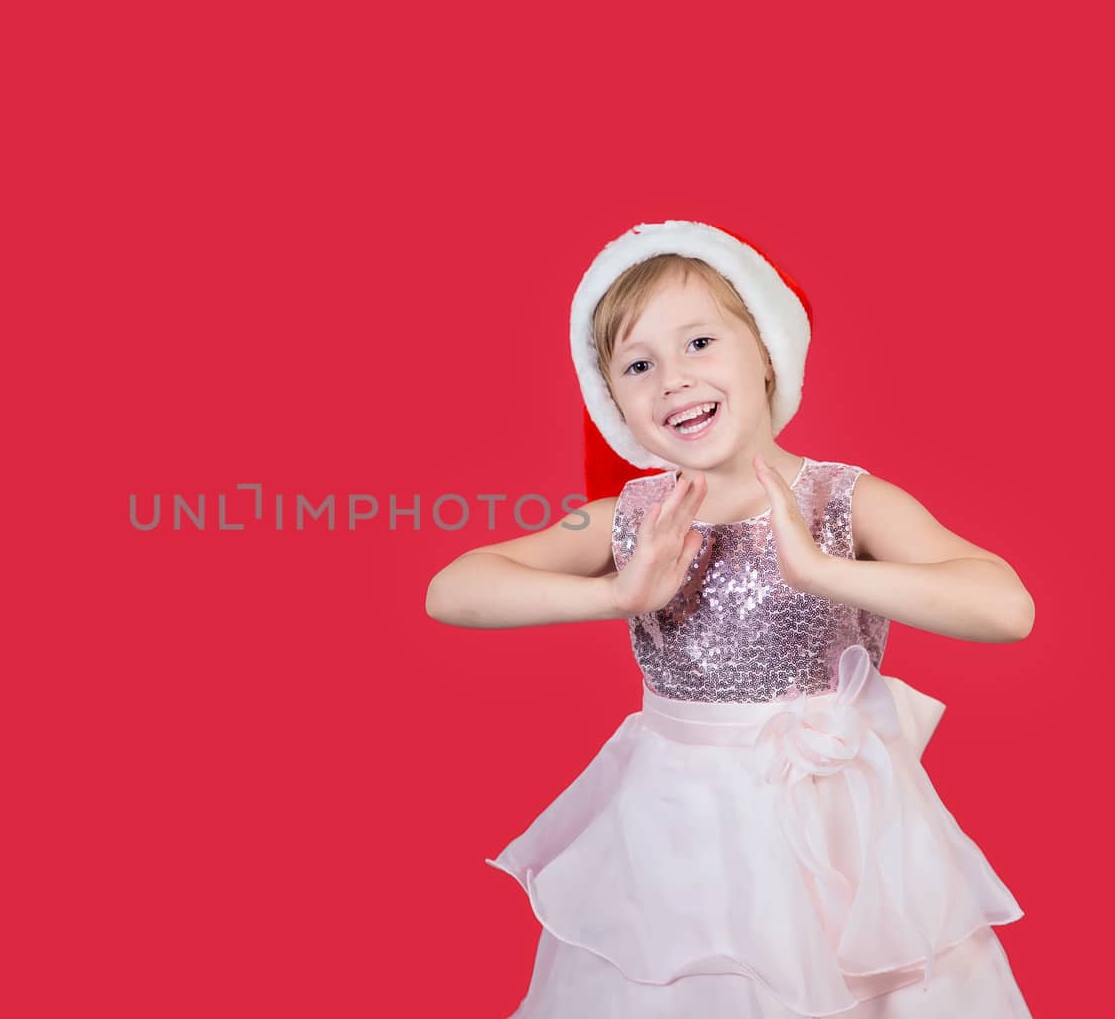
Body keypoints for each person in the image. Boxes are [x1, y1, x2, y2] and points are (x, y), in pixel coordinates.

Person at [425, 220, 1035, 1017]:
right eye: (638, 365)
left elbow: (1005, 606)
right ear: (616, 402)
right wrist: (616, 596)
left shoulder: (847, 500)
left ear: (767, 350)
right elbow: (454, 587)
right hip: (679, 832)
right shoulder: (630, 518)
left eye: (700, 343)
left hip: (840, 831)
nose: (673, 379)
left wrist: (824, 571)